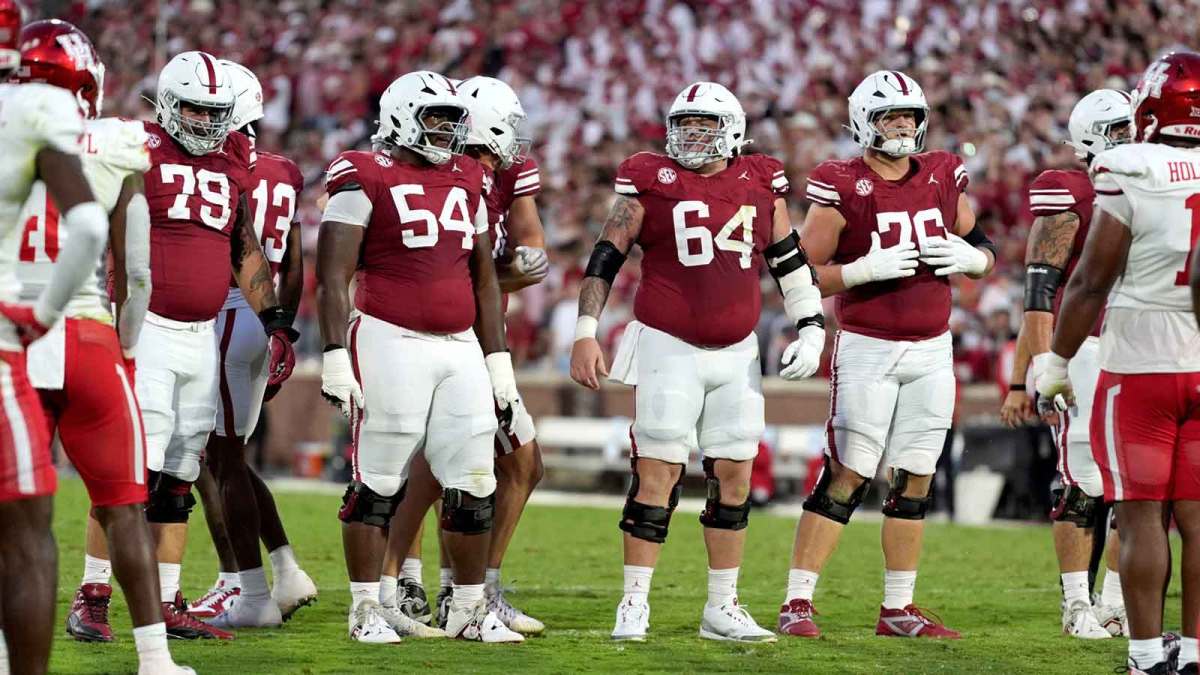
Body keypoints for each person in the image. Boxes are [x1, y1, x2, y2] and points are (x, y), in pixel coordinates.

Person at [569, 81, 826, 642]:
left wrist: (811, 323)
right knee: (657, 470)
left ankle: (721, 606)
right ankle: (634, 601)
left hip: (737, 353)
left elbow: (788, 257)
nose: (692, 135)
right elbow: (607, 253)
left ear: (731, 130)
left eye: (705, 125)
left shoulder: (760, 179)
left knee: (734, 474)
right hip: (668, 345)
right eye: (684, 124)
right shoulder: (649, 177)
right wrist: (585, 329)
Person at [778, 70, 994, 639]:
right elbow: (798, 274)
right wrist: (859, 271)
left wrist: (976, 262)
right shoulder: (841, 183)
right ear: (862, 123)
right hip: (869, 347)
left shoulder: (943, 173)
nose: (902, 126)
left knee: (917, 475)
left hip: (933, 349)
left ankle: (898, 608)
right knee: (850, 470)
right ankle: (797, 601)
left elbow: (980, 241)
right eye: (889, 117)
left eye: (909, 116)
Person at [10, 19, 193, 674]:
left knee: (15, 522)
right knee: (123, 507)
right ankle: (155, 658)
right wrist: (128, 347)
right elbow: (136, 271)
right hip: (89, 333)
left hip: (13, 337)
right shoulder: (118, 143)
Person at [316, 70, 521, 644]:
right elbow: (331, 277)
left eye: (454, 119)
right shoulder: (364, 173)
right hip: (388, 336)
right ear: (402, 115)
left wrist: (498, 361)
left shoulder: (470, 177)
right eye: (436, 116)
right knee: (377, 480)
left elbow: (484, 282)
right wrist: (334, 353)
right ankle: (365, 609)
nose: (447, 130)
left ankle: (467, 610)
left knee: (475, 480)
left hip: (459, 346)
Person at [1034, 51, 1200, 675]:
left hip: (1141, 360)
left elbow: (1089, 282)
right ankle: (1195, 653)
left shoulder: (1131, 165)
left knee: (1138, 516)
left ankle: (1144, 656)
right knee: (1195, 516)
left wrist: (1054, 360)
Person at [380, 75, 548, 635]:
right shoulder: (433, 172)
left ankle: (458, 588)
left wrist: (505, 274)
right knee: (430, 469)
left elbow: (516, 261)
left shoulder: (484, 176)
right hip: (434, 335)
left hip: (477, 335)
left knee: (471, 467)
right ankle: (403, 583)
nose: (516, 144)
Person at [137, 50, 297, 640]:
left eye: (214, 112)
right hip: (148, 325)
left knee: (183, 470)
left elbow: (245, 248)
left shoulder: (232, 167)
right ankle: (97, 592)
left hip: (207, 331)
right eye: (195, 110)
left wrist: (278, 318)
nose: (206, 123)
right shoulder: (138, 149)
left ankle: (167, 598)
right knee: (139, 471)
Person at [180, 58, 317, 629]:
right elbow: (295, 258)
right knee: (224, 456)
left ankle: (247, 588)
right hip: (258, 317)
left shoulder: (220, 168)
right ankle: (281, 569)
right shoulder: (282, 169)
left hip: (232, 312)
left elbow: (242, 251)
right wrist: (281, 323)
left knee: (220, 460)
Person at [0, 3, 116, 672]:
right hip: (16, 335)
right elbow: (93, 232)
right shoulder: (36, 115)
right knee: (24, 535)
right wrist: (44, 311)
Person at [1000, 89, 1131, 639]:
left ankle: (1116, 601)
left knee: (1136, 485)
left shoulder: (1159, 184)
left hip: (1141, 345)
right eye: (1121, 129)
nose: (1134, 138)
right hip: (1083, 348)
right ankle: (1077, 602)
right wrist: (1035, 368)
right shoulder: (1068, 189)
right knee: (1083, 476)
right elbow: (1039, 291)